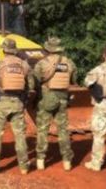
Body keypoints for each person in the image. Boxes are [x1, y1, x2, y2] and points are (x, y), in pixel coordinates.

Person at [0, 38, 34, 175]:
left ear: (4, 50)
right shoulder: (24, 65)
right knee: (20, 135)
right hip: (18, 103)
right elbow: (31, 87)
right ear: (15, 50)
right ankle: (24, 167)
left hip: (1, 104)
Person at [33, 37, 77, 171]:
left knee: (42, 130)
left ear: (48, 49)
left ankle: (40, 160)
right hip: (63, 99)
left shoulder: (41, 63)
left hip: (46, 99)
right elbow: (74, 80)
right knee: (63, 130)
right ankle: (67, 161)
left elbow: (35, 82)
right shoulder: (70, 63)